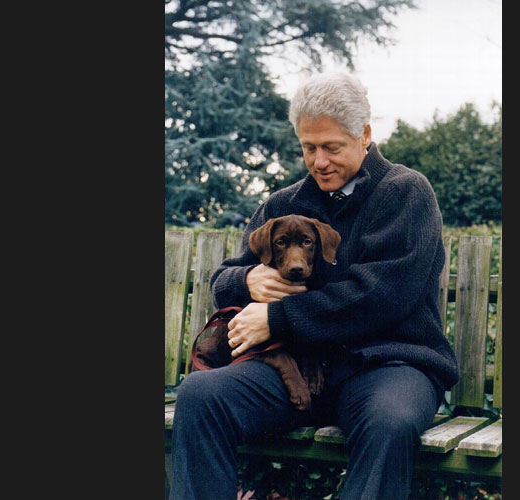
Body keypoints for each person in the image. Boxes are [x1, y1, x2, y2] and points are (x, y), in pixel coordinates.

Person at [169, 72, 459, 500]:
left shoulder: (405, 192)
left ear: (364, 135)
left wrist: (279, 316)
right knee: (200, 395)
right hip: (302, 374)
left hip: (391, 367)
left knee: (389, 422)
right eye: (308, 148)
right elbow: (224, 280)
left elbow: (382, 295)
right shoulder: (284, 205)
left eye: (332, 147)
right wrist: (247, 279)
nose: (319, 161)